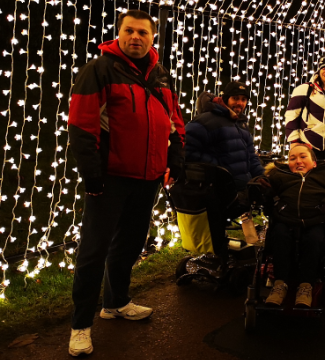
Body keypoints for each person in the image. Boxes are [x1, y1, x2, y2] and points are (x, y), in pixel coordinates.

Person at [66, 10, 185, 357]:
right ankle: (80, 326)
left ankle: (115, 303)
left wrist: (174, 159)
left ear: (152, 37)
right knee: (93, 252)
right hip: (111, 179)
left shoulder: (160, 75)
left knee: (131, 244)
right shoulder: (99, 70)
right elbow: (81, 126)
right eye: (129, 31)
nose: (136, 37)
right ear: (118, 34)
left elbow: (174, 121)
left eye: (142, 32)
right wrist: (93, 176)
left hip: (147, 178)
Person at [259, 144, 325, 307]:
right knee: (279, 235)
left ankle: (306, 286)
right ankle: (279, 284)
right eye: (292, 158)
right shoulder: (279, 175)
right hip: (285, 219)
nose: (298, 161)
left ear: (314, 162)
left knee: (314, 239)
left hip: (316, 220)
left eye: (303, 157)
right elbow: (263, 190)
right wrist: (260, 188)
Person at [181, 83, 265, 268]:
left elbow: (251, 157)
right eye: (236, 98)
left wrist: (263, 178)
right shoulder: (205, 121)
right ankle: (220, 257)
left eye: (243, 100)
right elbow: (186, 150)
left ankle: (272, 255)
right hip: (219, 192)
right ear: (225, 98)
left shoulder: (241, 124)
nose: (240, 103)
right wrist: (216, 166)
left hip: (243, 188)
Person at [285, 56, 325, 161]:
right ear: (318, 70)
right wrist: (294, 141)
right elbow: (292, 116)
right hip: (308, 143)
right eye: (324, 68)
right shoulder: (304, 89)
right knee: (308, 176)